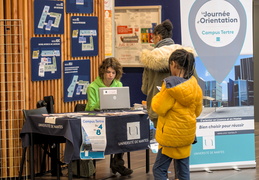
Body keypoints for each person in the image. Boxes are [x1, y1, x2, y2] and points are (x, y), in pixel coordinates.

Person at [141, 19, 196, 180]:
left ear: (157, 36)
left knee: (161, 163)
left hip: (163, 117)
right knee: (181, 161)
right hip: (185, 118)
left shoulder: (151, 58)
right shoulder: (187, 55)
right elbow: (196, 87)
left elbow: (145, 89)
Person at [151, 49, 203, 180]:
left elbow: (159, 108)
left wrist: (157, 96)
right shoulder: (195, 85)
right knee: (183, 172)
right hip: (186, 136)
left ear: (173, 64)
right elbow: (198, 111)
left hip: (170, 137)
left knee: (159, 169)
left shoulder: (170, 86)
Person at [85, 57, 133, 176]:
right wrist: (104, 99)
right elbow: (91, 107)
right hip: (95, 121)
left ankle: (117, 162)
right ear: (103, 72)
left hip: (113, 119)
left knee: (125, 132)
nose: (110, 75)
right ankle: (116, 163)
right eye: (108, 72)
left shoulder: (118, 84)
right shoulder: (92, 87)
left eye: (113, 72)